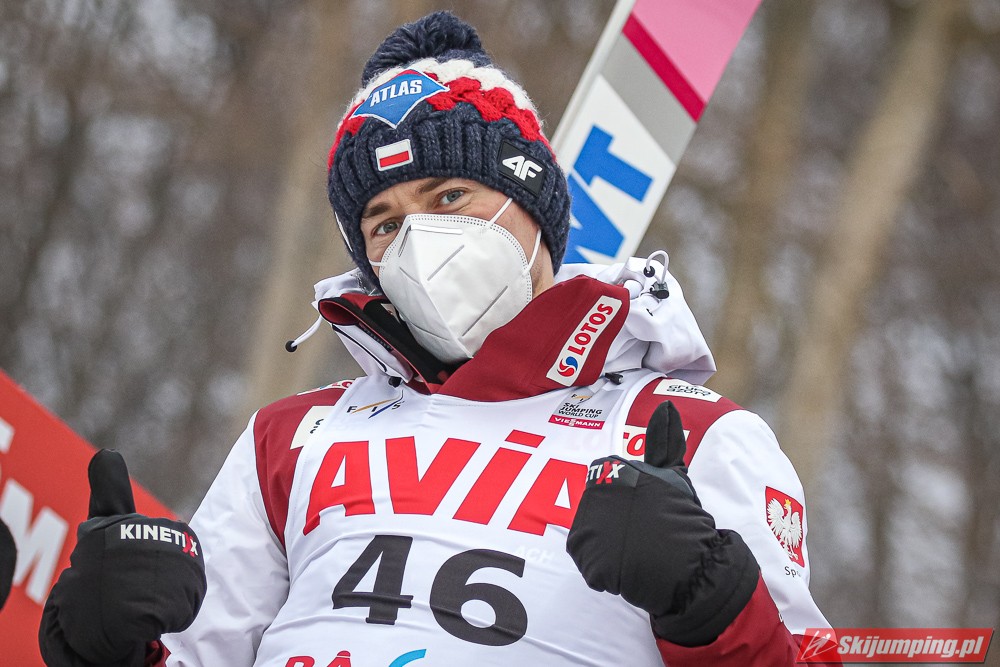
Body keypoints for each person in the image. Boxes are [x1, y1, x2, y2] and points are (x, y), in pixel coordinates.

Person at [40, 11, 836, 667]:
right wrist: (107, 644)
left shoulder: (691, 436)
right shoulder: (291, 438)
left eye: (449, 195)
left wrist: (709, 602)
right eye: (383, 222)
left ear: (534, 209)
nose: (419, 239)